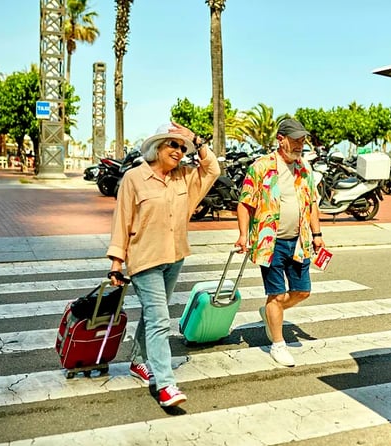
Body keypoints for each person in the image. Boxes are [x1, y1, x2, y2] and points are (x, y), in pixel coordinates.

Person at [106, 121, 220, 408]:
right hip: (144, 259)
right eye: (173, 145)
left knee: (152, 313)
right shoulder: (134, 178)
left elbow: (213, 170)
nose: (179, 151)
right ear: (156, 147)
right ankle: (166, 384)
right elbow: (122, 220)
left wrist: (195, 138)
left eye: (182, 147)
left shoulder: (185, 178)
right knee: (159, 318)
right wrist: (116, 263)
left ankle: (137, 360)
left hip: (174, 256)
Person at [234, 118, 325, 367]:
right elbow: (245, 203)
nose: (299, 144)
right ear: (280, 139)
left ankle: (272, 313)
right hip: (269, 242)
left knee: (302, 291)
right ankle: (278, 344)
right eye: (295, 139)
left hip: (299, 241)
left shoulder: (305, 168)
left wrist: (317, 235)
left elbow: (312, 204)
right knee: (276, 294)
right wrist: (243, 235)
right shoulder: (262, 166)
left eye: (302, 140)